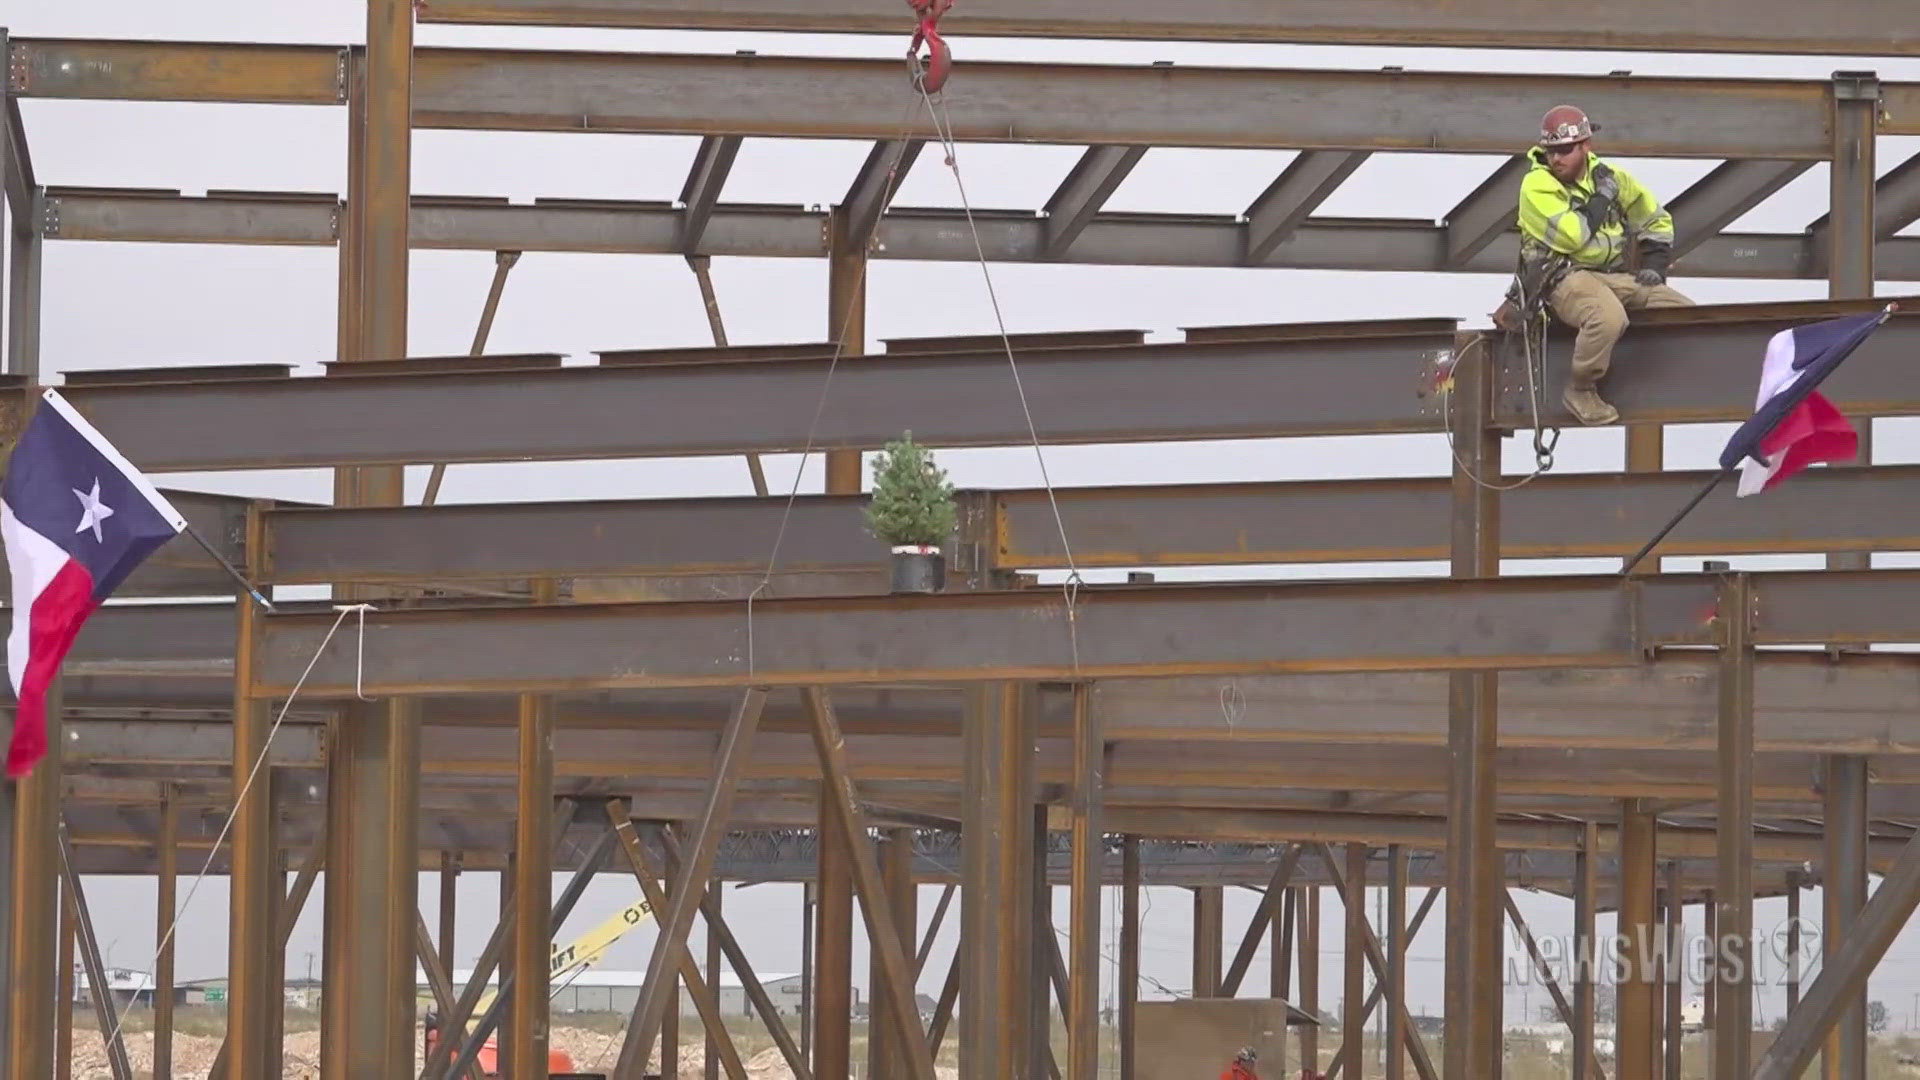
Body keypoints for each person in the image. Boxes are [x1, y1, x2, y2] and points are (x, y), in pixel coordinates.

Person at [1515, 104, 1695, 426]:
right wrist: (1600, 199)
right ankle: (1581, 388)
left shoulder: (1613, 179)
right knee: (1608, 318)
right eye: (1551, 151)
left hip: (1610, 277)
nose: (1557, 159)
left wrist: (1655, 263)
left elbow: (1656, 219)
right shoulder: (1537, 186)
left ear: (1585, 146)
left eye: (1566, 150)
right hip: (1561, 278)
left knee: (1684, 313)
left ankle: (1679, 379)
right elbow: (1574, 236)